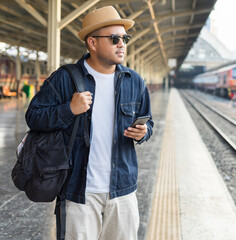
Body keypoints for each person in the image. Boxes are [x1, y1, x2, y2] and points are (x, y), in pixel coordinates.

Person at [25, 6, 153, 240]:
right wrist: (68, 110)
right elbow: (33, 117)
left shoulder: (134, 81)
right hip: (78, 191)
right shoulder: (64, 78)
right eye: (114, 39)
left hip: (122, 191)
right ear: (92, 43)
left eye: (125, 38)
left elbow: (148, 122)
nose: (122, 44)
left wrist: (143, 132)